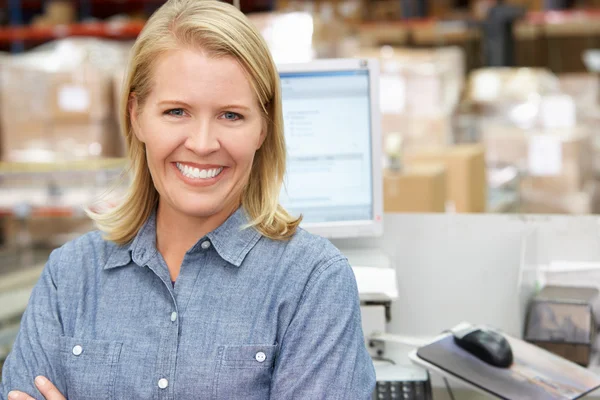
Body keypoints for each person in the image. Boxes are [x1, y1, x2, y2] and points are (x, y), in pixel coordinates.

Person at [0, 0, 376, 398]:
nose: (201, 143)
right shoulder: (70, 277)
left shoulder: (313, 282)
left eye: (231, 115)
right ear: (136, 115)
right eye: (177, 111)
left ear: (263, 128)